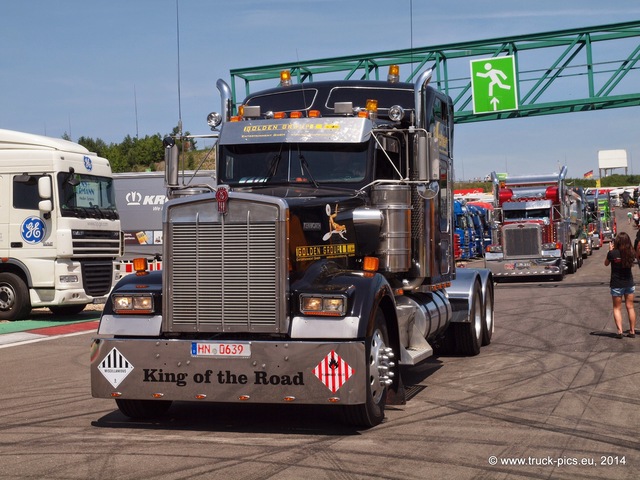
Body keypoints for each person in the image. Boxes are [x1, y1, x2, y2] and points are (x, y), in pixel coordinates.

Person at [605, 232, 637, 339]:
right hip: (629, 282)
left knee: (617, 308)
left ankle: (620, 331)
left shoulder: (612, 254)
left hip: (616, 284)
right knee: (630, 307)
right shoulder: (631, 252)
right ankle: (632, 331)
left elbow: (606, 263)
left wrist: (610, 250)